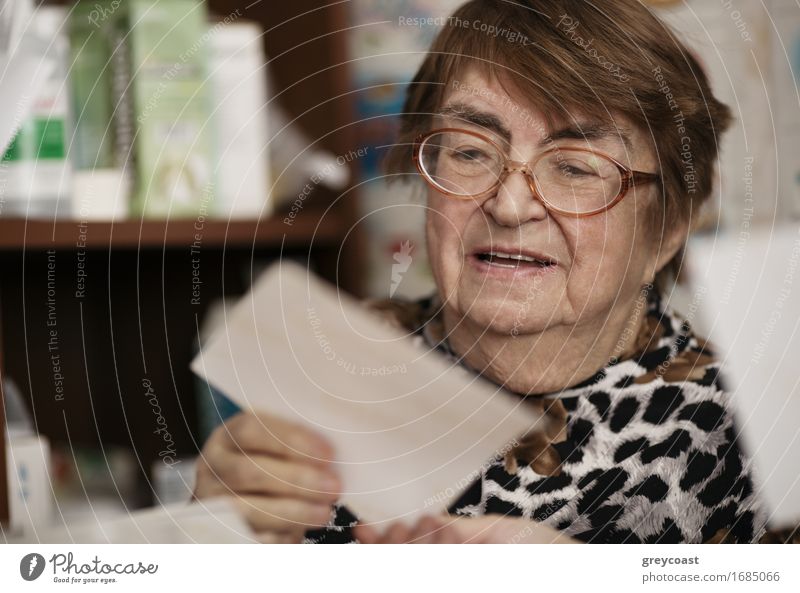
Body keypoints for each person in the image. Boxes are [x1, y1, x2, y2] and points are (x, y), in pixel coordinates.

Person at [194, 0, 791, 543]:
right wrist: (207, 542)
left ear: (668, 229)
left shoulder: (760, 431)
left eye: (577, 167)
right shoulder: (332, 366)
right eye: (471, 151)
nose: (509, 205)